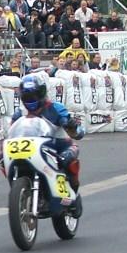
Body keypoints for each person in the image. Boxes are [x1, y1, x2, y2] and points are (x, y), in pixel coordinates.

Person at [8, 74, 85, 218]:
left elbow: (78, 133)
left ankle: (73, 194)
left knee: (67, 158)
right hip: (32, 148)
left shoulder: (56, 108)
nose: (31, 100)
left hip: (59, 146)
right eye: (27, 97)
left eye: (34, 96)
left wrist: (72, 126)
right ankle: (21, 192)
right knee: (3, 157)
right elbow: (11, 132)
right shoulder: (19, 114)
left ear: (42, 94)